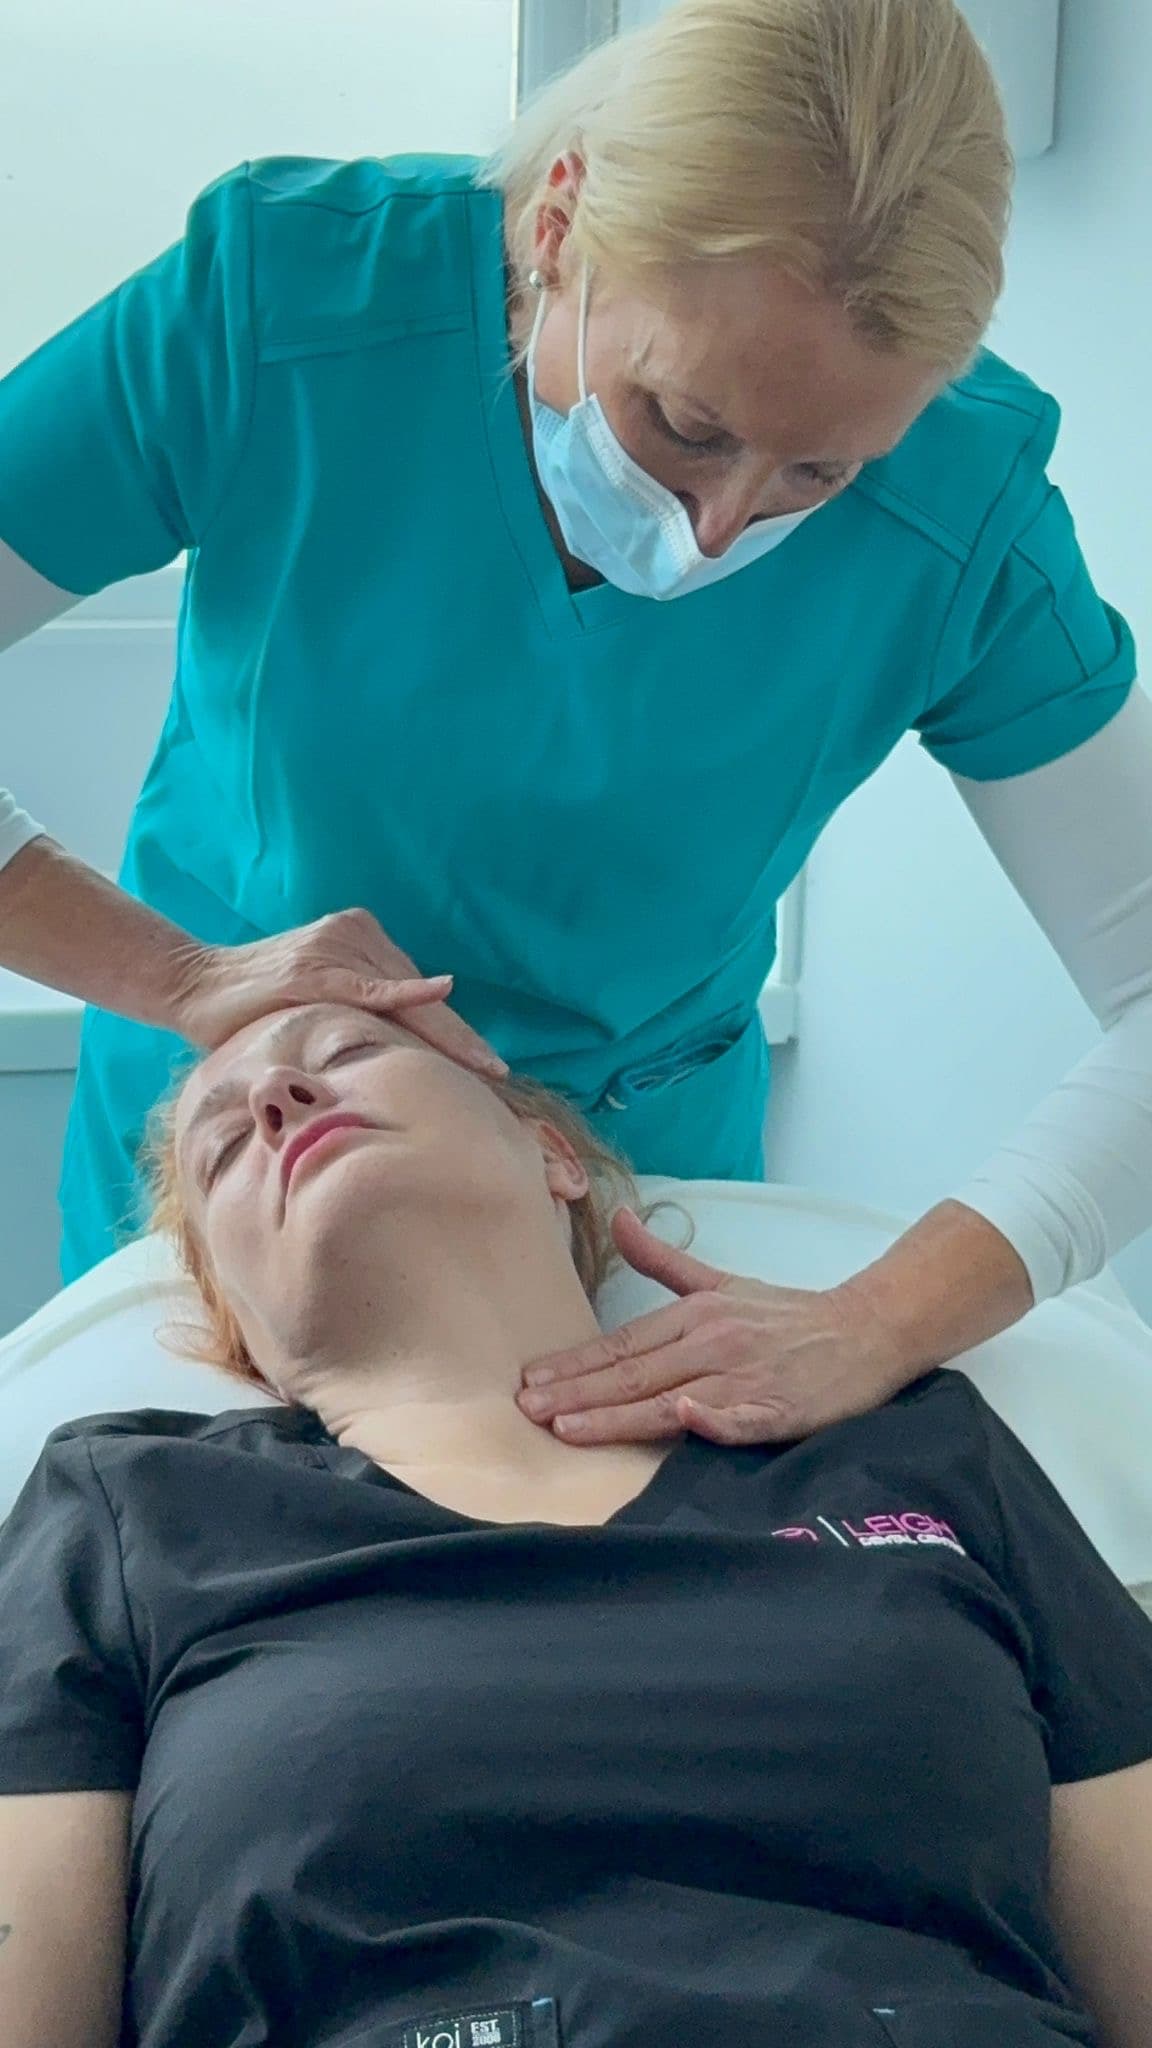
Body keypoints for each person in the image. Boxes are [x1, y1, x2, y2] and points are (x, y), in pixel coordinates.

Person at [2, 0, 1152, 1446]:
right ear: (560, 223)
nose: (720, 528)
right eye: (685, 423)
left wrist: (883, 1319)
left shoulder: (964, 512)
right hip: (250, 1181)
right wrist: (172, 974)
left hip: (631, 1224)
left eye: (817, 478)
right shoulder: (284, 310)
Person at [0, 1000, 1150, 2048]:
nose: (277, 1099)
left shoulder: (916, 1447)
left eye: (349, 1053)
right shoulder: (127, 1509)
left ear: (553, 1156)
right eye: (225, 1145)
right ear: (228, 1322)